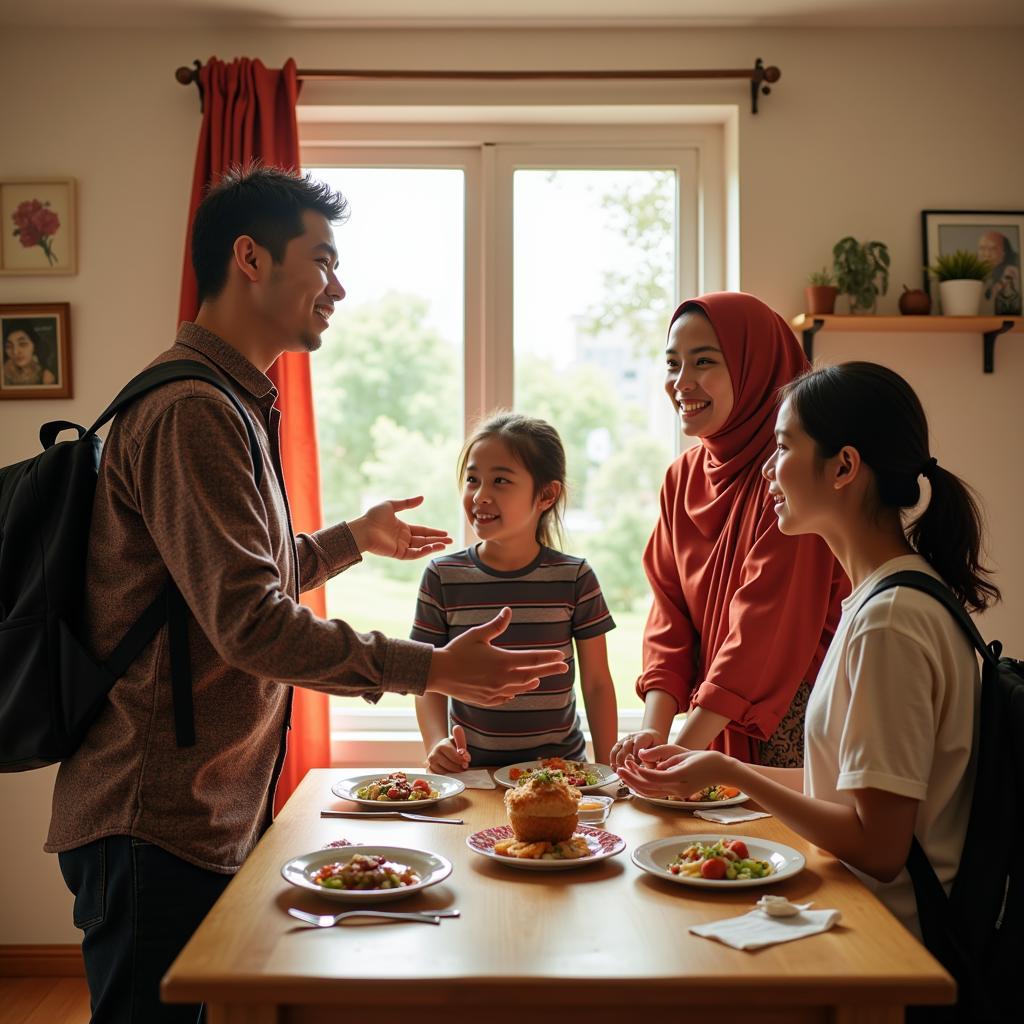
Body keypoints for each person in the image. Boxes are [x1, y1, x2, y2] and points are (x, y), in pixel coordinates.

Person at [44, 166, 567, 1024]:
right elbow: (249, 624)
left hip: (185, 808)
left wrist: (350, 540)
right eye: (321, 261)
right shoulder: (193, 412)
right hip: (154, 810)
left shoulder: (221, 403)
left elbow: (215, 585)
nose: (339, 286)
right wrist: (430, 669)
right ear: (250, 258)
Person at [619, 360, 997, 939]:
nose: (769, 469)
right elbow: (844, 793)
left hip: (891, 943)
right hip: (855, 914)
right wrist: (721, 771)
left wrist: (727, 770)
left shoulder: (890, 621)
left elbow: (878, 847)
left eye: (784, 447)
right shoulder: (881, 599)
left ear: (844, 466)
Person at [610, 293, 847, 771]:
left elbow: (765, 627)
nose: (681, 383)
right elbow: (668, 611)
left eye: (704, 362)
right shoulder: (682, 476)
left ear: (756, 368)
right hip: (708, 718)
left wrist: (684, 745)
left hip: (786, 716)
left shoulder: (793, 476)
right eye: (672, 363)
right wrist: (655, 732)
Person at [413, 412, 618, 770]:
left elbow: (598, 684)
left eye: (500, 481)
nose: (480, 496)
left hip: (561, 773)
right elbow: (428, 677)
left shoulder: (575, 577)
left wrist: (609, 772)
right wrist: (436, 743)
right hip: (474, 775)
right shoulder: (441, 577)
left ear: (546, 495)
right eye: (473, 479)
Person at [977, 230, 1022, 315]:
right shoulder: (975, 277)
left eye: (992, 249)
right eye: (982, 248)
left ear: (1004, 253)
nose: (986, 254)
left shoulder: (1012, 274)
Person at [3, 320, 56, 386]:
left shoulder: (46, 377)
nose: (15, 352)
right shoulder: (3, 375)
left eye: (23, 344)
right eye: (9, 346)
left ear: (34, 345)